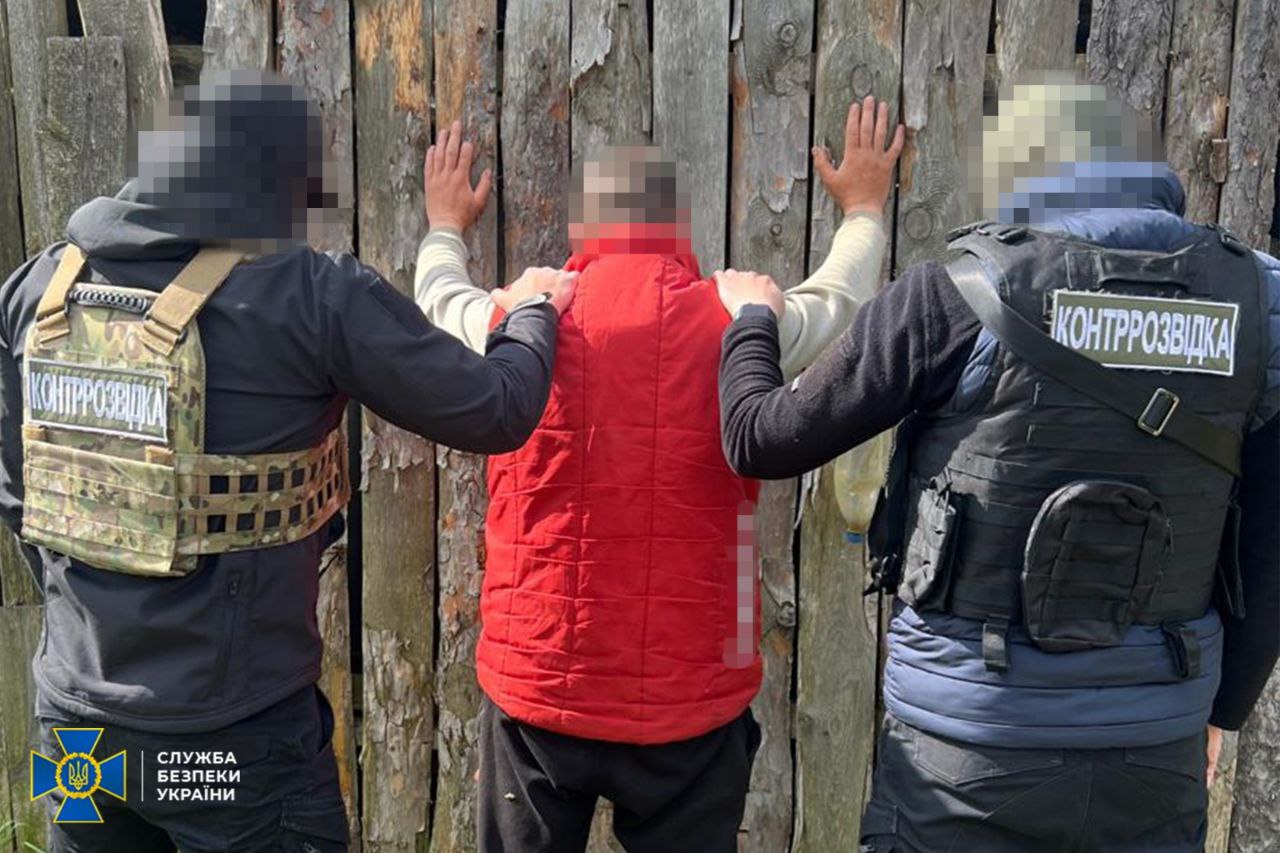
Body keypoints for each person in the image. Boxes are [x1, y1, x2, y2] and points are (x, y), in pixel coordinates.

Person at [0, 71, 575, 852]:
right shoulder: (306, 296)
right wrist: (532, 311)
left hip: (75, 731)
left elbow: (21, 498)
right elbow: (497, 408)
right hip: (228, 743)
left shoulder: (38, 290)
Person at [717, 74, 1280, 853]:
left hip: (966, 752)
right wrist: (1222, 711)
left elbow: (761, 436)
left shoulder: (958, 292)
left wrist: (753, 320)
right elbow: (1270, 544)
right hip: (1154, 749)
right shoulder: (1259, 304)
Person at [415, 99, 903, 851]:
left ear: (584, 225)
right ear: (679, 225)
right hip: (692, 701)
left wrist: (446, 226)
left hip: (540, 687)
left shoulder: (520, 318)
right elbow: (836, 303)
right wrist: (864, 210)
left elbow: (438, 301)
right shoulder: (737, 322)